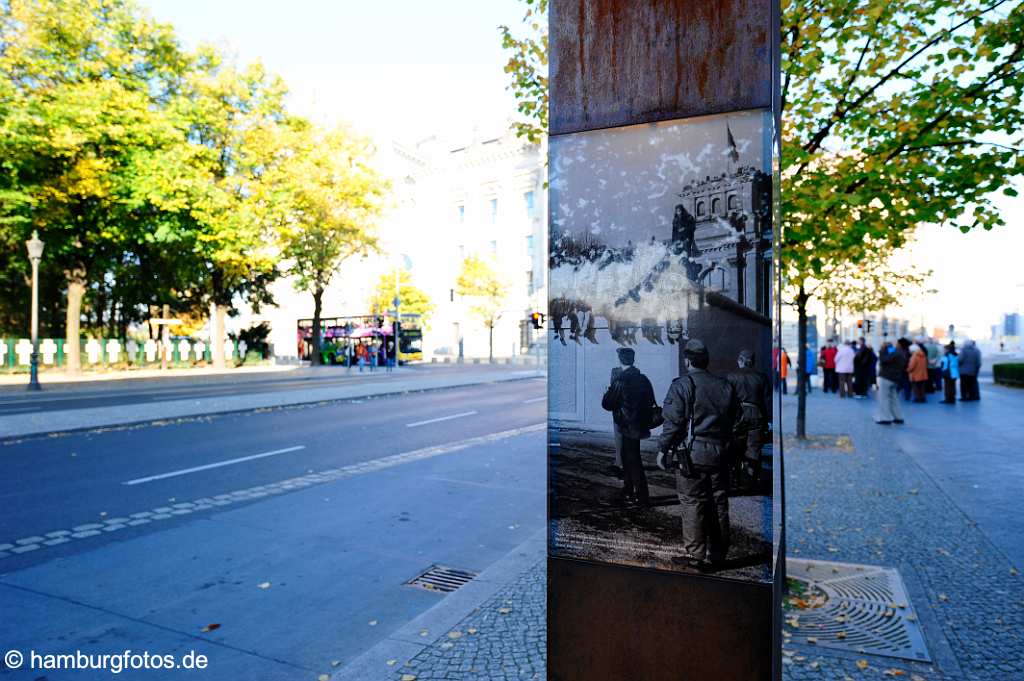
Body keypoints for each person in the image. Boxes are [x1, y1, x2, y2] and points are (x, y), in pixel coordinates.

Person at [657, 339, 739, 571]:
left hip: (693, 455)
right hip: (720, 453)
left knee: (693, 503)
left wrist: (663, 449)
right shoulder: (725, 386)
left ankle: (696, 556)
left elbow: (673, 422)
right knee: (719, 503)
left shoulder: (683, 384)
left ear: (687, 361)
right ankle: (719, 554)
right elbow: (738, 419)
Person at [601, 347, 656, 506]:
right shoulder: (643, 379)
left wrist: (607, 392)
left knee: (632, 460)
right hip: (639, 424)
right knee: (630, 458)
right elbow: (651, 400)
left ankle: (640, 495)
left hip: (626, 426)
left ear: (620, 360)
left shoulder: (620, 380)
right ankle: (629, 491)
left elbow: (607, 404)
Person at [726, 349, 771, 493]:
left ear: (740, 360)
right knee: (754, 449)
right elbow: (767, 401)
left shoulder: (731, 377)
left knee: (735, 448)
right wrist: (768, 420)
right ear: (752, 362)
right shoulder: (761, 377)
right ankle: (750, 482)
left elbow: (726, 400)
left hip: (737, 417)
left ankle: (735, 479)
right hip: (756, 416)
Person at [876, 341, 906, 425]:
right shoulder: (900, 353)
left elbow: (883, 360)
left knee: (884, 398)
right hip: (895, 379)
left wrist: (882, 351)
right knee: (894, 399)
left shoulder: (893, 354)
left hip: (886, 377)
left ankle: (885, 418)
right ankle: (898, 417)